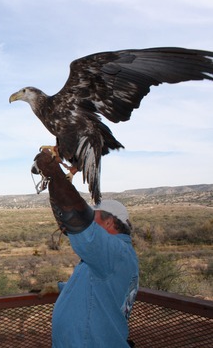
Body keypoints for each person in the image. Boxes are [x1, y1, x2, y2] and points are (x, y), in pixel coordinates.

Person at [32, 148, 139, 348]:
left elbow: (79, 222)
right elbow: (96, 288)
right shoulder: (113, 256)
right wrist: (60, 288)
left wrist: (54, 173)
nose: (89, 218)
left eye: (94, 215)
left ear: (110, 222)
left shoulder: (115, 254)